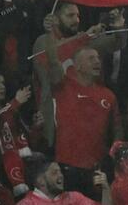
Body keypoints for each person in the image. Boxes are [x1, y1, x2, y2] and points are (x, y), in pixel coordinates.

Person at [44, 34, 121, 197]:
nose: (97, 62)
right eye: (91, 58)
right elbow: (52, 63)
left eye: (98, 58)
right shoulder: (63, 86)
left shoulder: (108, 95)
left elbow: (117, 130)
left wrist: (116, 156)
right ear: (77, 65)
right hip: (66, 167)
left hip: (95, 168)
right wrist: (50, 33)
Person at [17, 157, 111, 205]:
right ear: (40, 181)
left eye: (60, 172)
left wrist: (105, 189)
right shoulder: (27, 203)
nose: (61, 175)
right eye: (54, 173)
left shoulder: (74, 198)